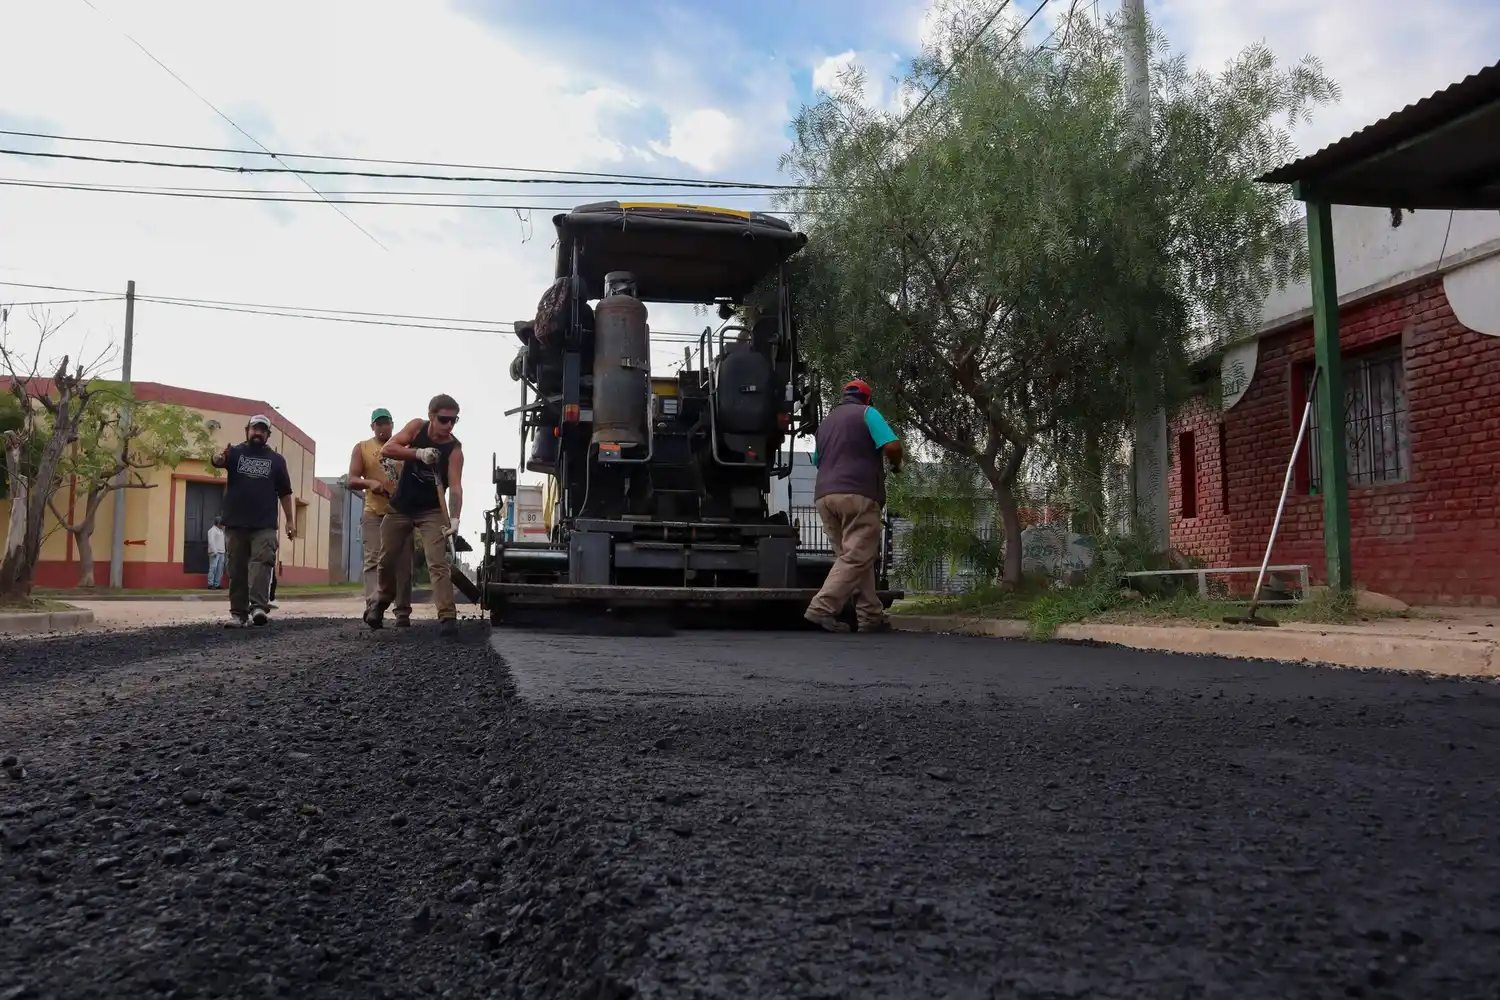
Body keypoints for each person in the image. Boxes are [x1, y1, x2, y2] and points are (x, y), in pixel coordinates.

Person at [804, 378, 903, 634]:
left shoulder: (825, 425)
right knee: (857, 557)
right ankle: (822, 608)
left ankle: (870, 616)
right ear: (868, 398)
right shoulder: (868, 413)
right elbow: (892, 445)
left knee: (854, 559)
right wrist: (895, 464)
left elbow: (818, 461)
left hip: (825, 497)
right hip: (858, 494)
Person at [365, 394, 464, 636]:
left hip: (432, 511)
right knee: (386, 559)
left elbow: (456, 487)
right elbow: (388, 449)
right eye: (444, 420)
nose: (449, 426)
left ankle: (447, 616)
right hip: (401, 507)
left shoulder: (454, 449)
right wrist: (419, 454)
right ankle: (381, 601)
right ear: (432, 417)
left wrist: (454, 519)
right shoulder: (417, 428)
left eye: (454, 421)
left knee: (438, 562)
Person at [211, 414, 295, 628]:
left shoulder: (277, 461)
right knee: (236, 568)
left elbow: (285, 493)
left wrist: (290, 521)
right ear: (247, 430)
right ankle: (238, 614)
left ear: (268, 434)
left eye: (262, 430)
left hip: (264, 524)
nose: (258, 433)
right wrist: (218, 458)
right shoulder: (235, 453)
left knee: (262, 563)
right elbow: (218, 461)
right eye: (254, 429)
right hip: (235, 523)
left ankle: (258, 607)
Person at [347, 407, 413, 626]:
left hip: (401, 512)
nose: (383, 427)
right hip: (374, 513)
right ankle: (373, 607)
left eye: (386, 423)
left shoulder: (403, 447)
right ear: (372, 426)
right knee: (374, 560)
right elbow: (352, 479)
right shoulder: (362, 448)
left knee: (403, 563)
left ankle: (402, 612)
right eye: (379, 423)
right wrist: (369, 483)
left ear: (393, 425)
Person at [205, 517, 226, 590]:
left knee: (220, 569)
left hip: (222, 552)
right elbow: (211, 541)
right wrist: (214, 551)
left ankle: (217, 584)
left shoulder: (221, 531)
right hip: (215, 552)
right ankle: (210, 584)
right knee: (213, 568)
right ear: (218, 523)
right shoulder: (212, 530)